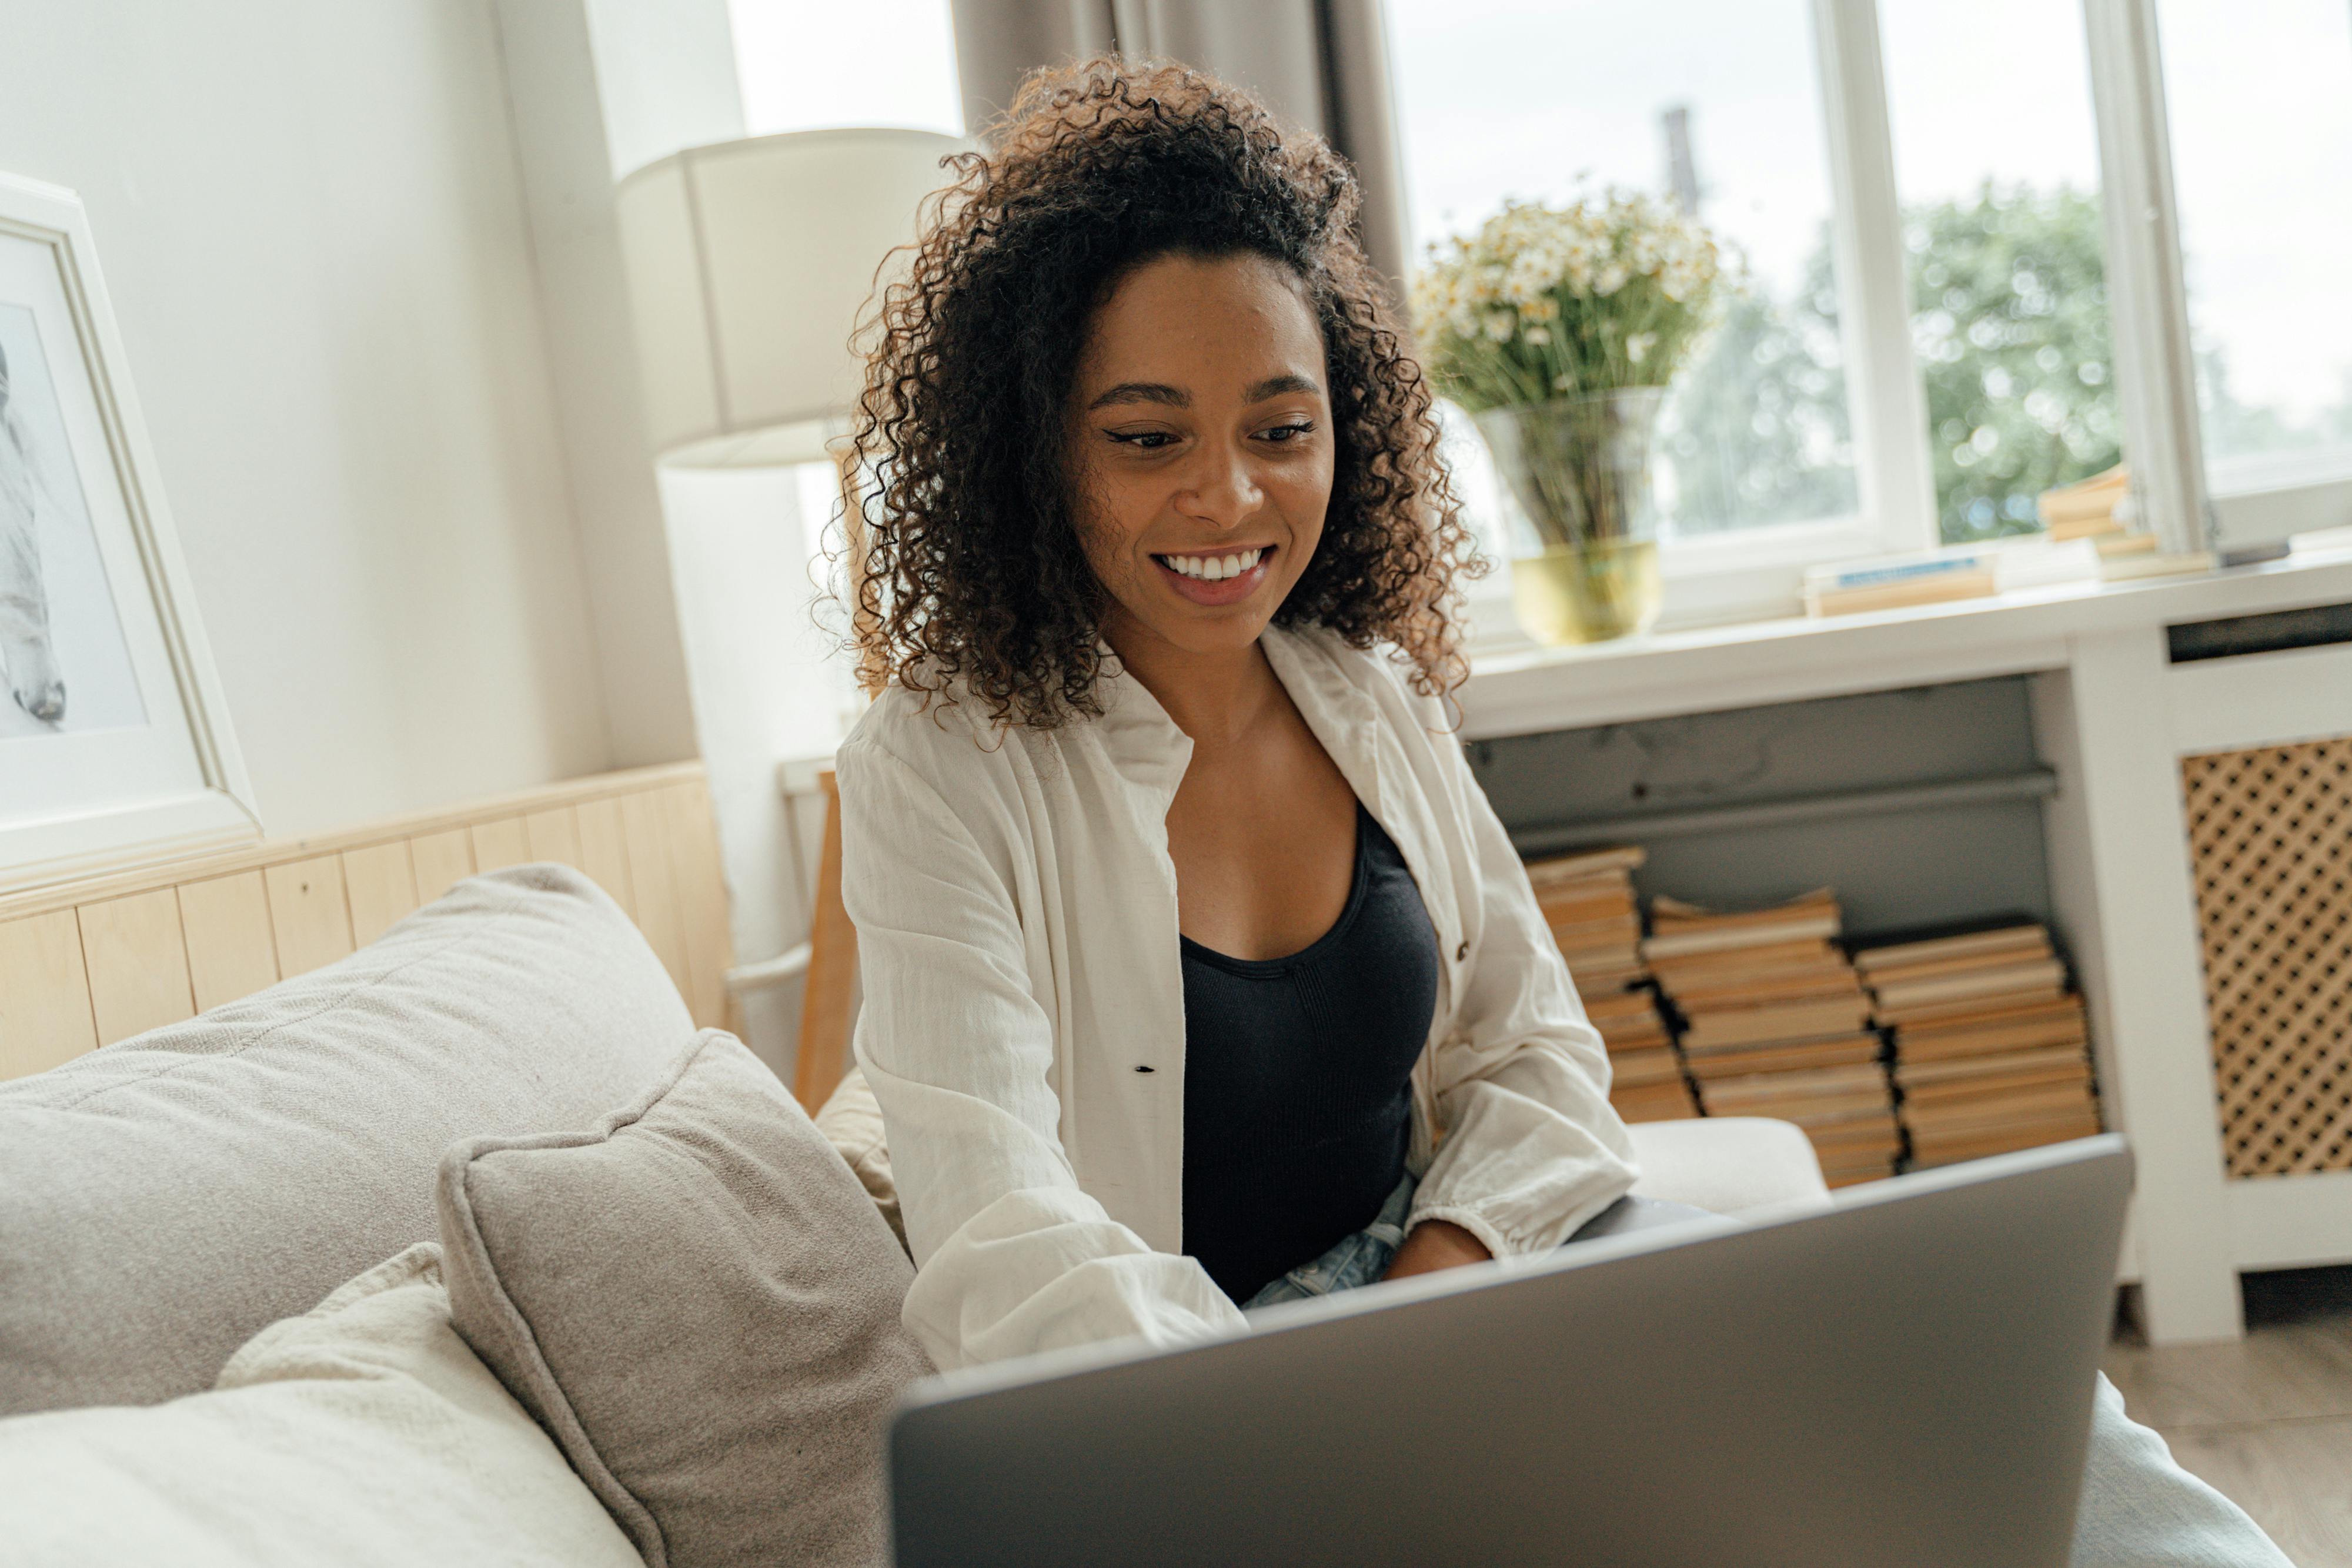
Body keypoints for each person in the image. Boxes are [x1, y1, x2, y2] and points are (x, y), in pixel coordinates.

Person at [831, 55, 2288, 1567]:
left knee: (2024, 1411)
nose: (1229, 496)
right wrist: (1321, 1397)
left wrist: (1443, 1281)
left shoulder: (1362, 690)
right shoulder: (937, 765)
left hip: (1453, 1298)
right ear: (1034, 450)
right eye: (1146, 438)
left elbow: (1533, 1049)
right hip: (1182, 1404)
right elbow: (999, 1238)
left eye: (1280, 427)